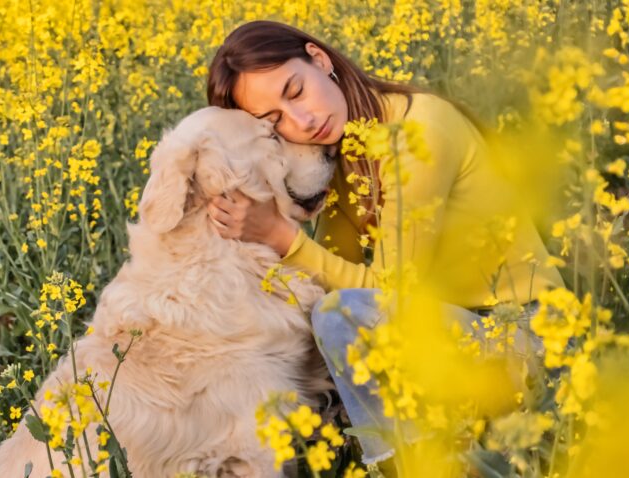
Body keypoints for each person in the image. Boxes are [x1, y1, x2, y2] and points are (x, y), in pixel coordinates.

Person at [205, 20, 565, 469]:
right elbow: (330, 273)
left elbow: (391, 293)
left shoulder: (418, 132)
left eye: (296, 91)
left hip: (530, 340)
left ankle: (405, 466)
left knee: (338, 318)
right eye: (274, 121)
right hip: (452, 335)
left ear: (320, 59)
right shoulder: (344, 151)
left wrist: (280, 235)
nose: (302, 121)